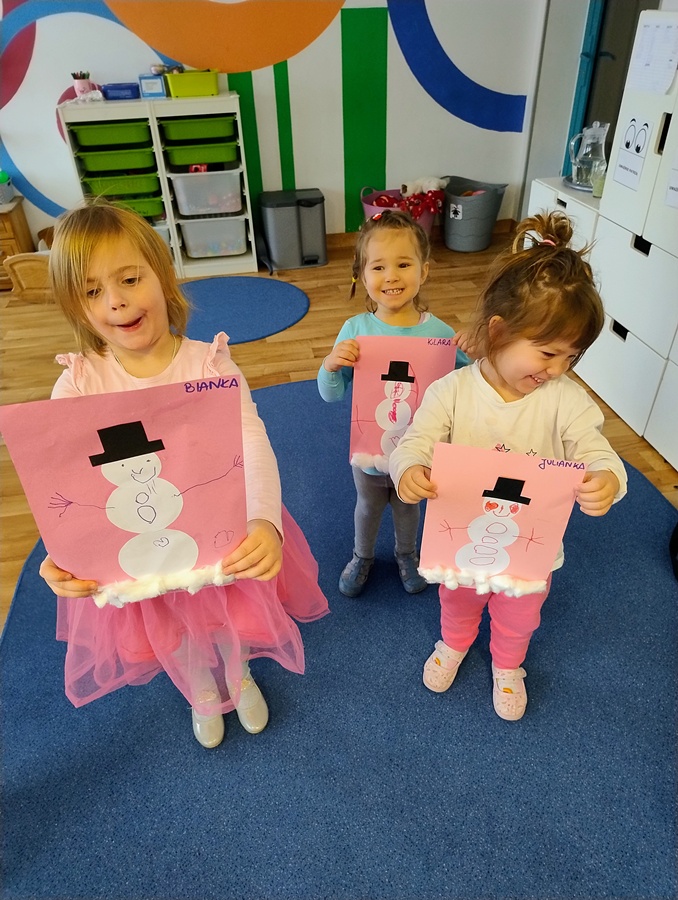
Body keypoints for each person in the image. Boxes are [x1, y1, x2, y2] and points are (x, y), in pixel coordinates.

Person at [38, 199, 329, 748]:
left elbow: (251, 439)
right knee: (171, 629)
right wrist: (65, 551)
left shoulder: (207, 362)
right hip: (138, 547)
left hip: (219, 531)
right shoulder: (78, 382)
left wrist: (264, 519)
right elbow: (63, 478)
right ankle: (199, 687)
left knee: (229, 617)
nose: (116, 300)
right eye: (92, 291)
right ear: (75, 306)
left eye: (129, 279)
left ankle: (238, 674)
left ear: (161, 274)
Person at [389, 210, 627, 721]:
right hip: (459, 535)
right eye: (547, 353)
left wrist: (607, 478)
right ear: (497, 332)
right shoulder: (452, 391)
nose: (557, 369)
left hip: (528, 549)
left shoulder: (566, 400)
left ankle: (507, 665)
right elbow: (415, 441)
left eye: (571, 357)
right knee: (457, 602)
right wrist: (408, 471)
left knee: (520, 614)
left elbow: (595, 447)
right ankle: (453, 643)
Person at [317, 209, 470, 598]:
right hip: (370, 449)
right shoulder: (356, 330)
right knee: (368, 505)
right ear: (362, 274)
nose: (391, 276)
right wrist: (330, 364)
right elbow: (332, 394)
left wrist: (474, 352)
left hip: (418, 452)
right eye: (378, 267)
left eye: (403, 264)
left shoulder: (440, 333)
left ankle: (407, 555)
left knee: (407, 507)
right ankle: (362, 556)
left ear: (424, 271)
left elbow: (468, 382)